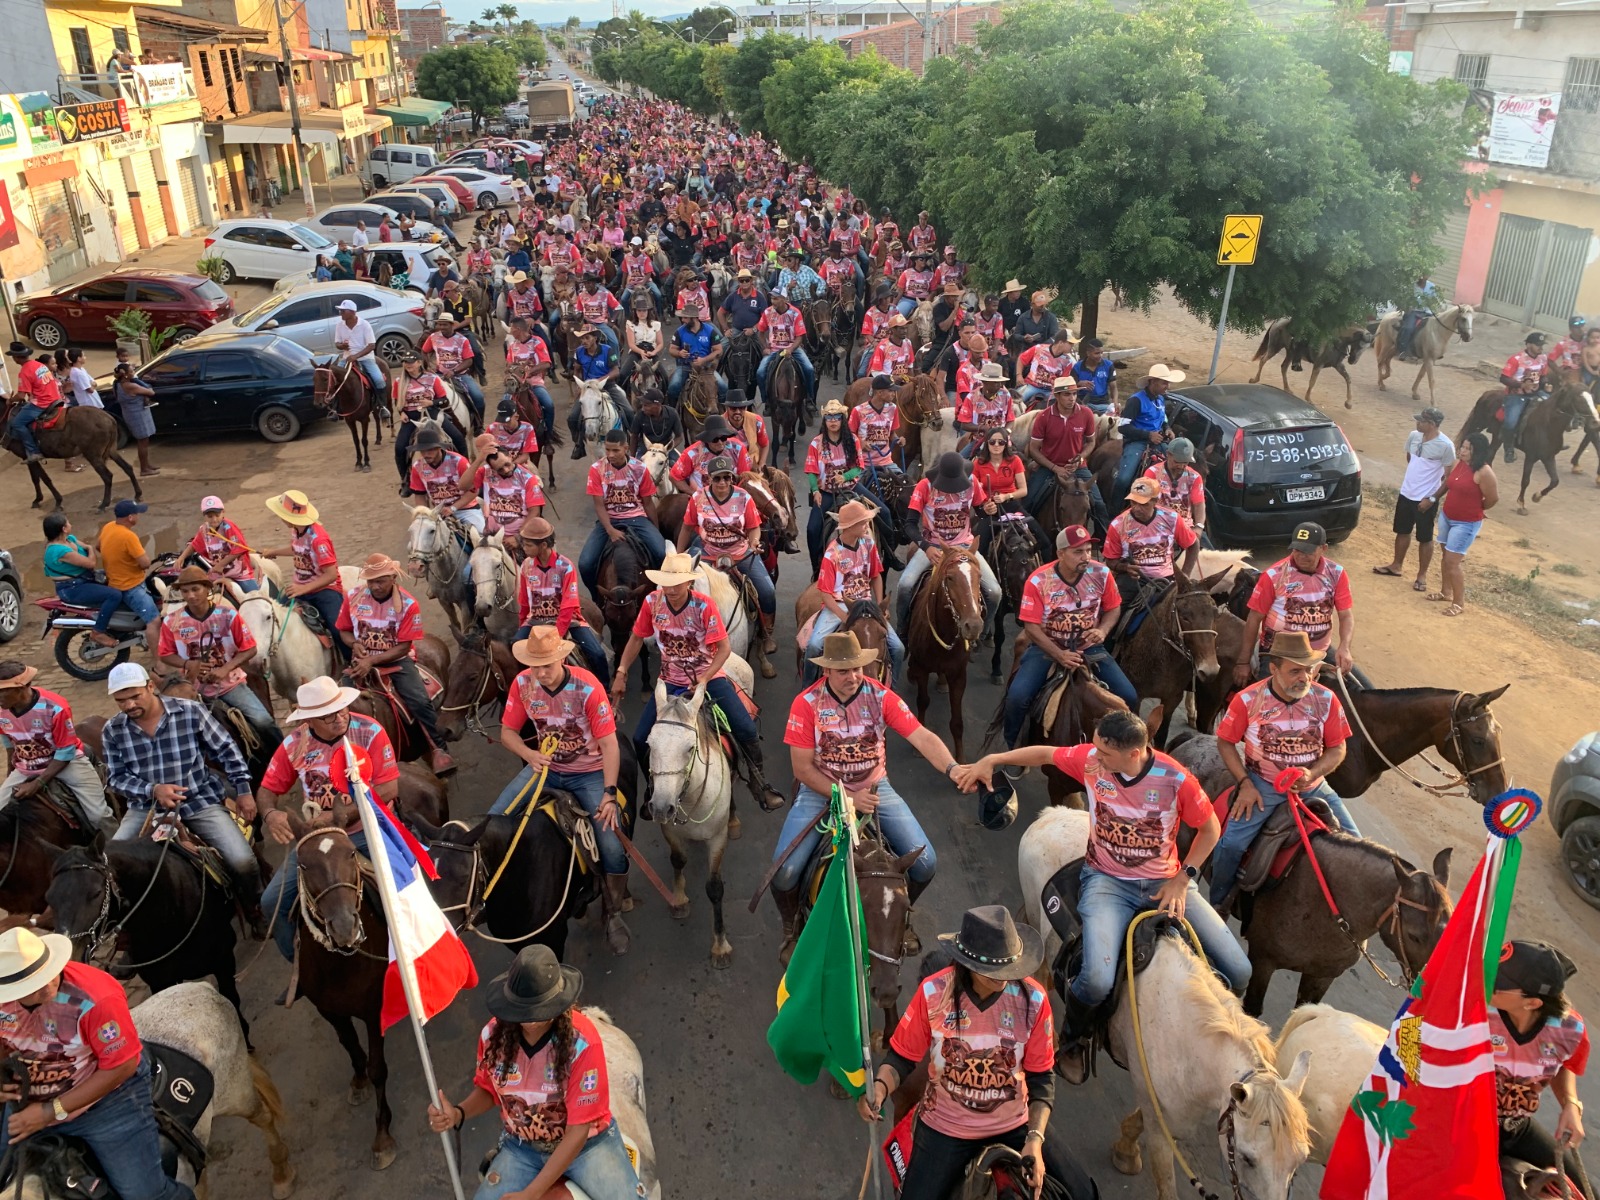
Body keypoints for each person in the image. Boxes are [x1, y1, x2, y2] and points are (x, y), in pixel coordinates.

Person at [957, 709, 1251, 1084]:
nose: (1093, 758)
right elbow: (1046, 754)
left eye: (1103, 753)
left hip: (1166, 884)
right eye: (1094, 749)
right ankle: (1073, 1039)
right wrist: (993, 759)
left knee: (1240, 969)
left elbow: (1209, 829)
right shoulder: (1094, 764)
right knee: (1096, 979)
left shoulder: (1176, 779)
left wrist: (1182, 879)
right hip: (1108, 883)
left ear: (1134, 753)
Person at [860, 907, 1096, 1200]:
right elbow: (900, 1059)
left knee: (1084, 1193)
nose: (1006, 977)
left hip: (1015, 1124)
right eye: (996, 971)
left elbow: (1041, 1079)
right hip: (946, 1128)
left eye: (1010, 967)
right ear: (968, 963)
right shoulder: (933, 993)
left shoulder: (1034, 1000)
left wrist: (1034, 1139)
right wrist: (881, 1087)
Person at [772, 630, 959, 962]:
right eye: (843, 670)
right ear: (826, 670)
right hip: (822, 792)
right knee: (784, 871)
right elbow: (802, 770)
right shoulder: (806, 705)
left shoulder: (881, 697)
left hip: (875, 789)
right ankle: (790, 929)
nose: (853, 676)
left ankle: (900, 917)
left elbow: (922, 737)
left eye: (857, 668)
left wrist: (953, 768)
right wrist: (844, 797)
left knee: (926, 863)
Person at [424, 945, 645, 1200]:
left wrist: (532, 1194)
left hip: (587, 1147)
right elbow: (489, 1090)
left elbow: (578, 1131)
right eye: (521, 1009)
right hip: (522, 1148)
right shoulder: (490, 1036)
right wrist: (458, 1113)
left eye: (538, 1009)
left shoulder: (583, 1043)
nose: (529, 1018)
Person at [0, 926, 194, 1200]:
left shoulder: (95, 998)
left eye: (46, 972)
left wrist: (48, 1112)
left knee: (146, 1195)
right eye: (32, 985)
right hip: (30, 1097)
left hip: (107, 1104)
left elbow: (121, 1065)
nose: (47, 984)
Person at [609, 552, 782, 811]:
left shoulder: (704, 606)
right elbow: (636, 638)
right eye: (666, 584)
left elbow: (723, 649)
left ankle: (759, 784)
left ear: (689, 583)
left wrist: (704, 677)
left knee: (745, 728)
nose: (671, 590)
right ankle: (654, 790)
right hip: (669, 682)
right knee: (640, 737)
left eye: (676, 584)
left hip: (708, 680)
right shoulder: (652, 603)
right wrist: (621, 671)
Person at [492, 628, 629, 953]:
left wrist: (609, 794)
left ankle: (614, 911)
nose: (540, 673)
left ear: (562, 658)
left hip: (587, 774)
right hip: (544, 769)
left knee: (611, 844)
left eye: (547, 665)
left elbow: (610, 745)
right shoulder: (523, 684)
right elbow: (507, 732)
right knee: (494, 819)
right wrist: (529, 755)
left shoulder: (588, 687)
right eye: (535, 666)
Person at [101, 662, 263, 925]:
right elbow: (116, 778)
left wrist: (243, 790)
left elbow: (226, 750)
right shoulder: (113, 730)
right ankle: (123, 932)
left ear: (151, 687)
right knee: (109, 864)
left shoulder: (190, 712)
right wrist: (153, 790)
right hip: (146, 808)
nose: (129, 705)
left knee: (243, 860)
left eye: (135, 696)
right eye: (121, 701)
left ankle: (255, 907)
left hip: (199, 801)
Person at [1211, 630, 1361, 907]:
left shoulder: (1326, 699)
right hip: (1264, 784)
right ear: (1273, 669)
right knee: (1231, 845)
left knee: (1356, 844)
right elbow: (1226, 743)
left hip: (1313, 785)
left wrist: (1312, 774)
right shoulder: (1247, 700)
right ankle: (1218, 903)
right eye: (1295, 671)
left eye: (1307, 670)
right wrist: (1245, 782)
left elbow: (1338, 748)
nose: (1304, 677)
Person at [256, 677, 401, 963]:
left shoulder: (369, 730)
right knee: (271, 902)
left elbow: (388, 789)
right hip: (318, 838)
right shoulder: (294, 744)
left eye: (342, 709)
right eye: (328, 715)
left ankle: (415, 954)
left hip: (367, 828)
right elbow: (266, 790)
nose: (339, 718)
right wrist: (271, 814)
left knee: (404, 888)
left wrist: (341, 815)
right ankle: (300, 966)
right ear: (309, 719)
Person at [1002, 525, 1137, 747]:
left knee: (1128, 696)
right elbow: (1031, 626)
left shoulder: (1102, 574)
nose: (1085, 557)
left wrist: (1102, 631)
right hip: (1047, 649)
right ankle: (1013, 748)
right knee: (1017, 696)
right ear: (1060, 554)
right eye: (1077, 552)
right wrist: (1059, 654)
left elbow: (1114, 608)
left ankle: (1125, 748)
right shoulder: (1038, 581)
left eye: (1087, 550)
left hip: (1089, 648)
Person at [1489, 940, 1592, 1194]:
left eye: (1497, 984)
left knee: (1583, 1192)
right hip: (1465, 1123)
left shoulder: (1569, 1030)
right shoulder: (1474, 1010)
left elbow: (1564, 1062)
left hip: (1516, 1127)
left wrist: (1571, 1104)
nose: (1486, 981)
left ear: (1532, 1003)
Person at [337, 553, 452, 775]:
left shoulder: (408, 604)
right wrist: (355, 645)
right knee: (336, 707)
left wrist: (372, 660)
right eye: (370, 581)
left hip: (396, 663)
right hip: (361, 662)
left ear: (393, 577)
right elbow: (343, 630)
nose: (375, 586)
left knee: (419, 701)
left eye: (380, 580)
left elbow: (404, 645)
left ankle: (439, 749)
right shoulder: (352, 597)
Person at [157, 566, 281, 758]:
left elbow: (250, 648)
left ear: (207, 589)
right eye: (185, 591)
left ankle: (283, 759)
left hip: (229, 684)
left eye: (195, 589)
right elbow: (165, 654)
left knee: (263, 720)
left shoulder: (228, 616)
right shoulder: (171, 622)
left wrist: (225, 669)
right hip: (190, 686)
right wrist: (187, 664)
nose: (190, 595)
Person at [896, 452, 1003, 634]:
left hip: (964, 547)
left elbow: (981, 512)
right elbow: (909, 525)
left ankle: (982, 632)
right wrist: (926, 547)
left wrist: (988, 509)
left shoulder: (973, 482)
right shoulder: (924, 486)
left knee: (994, 592)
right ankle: (903, 628)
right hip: (934, 547)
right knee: (904, 585)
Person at [1234, 522, 1354, 683]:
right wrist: (1243, 662)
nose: (1301, 556)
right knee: (1266, 700)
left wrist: (1344, 647)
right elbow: (1254, 618)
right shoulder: (1274, 575)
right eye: (1297, 550)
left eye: (1308, 551)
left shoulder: (1336, 573)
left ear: (1323, 548)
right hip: (1277, 653)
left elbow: (1346, 615)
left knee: (1363, 694)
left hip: (1320, 650)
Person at [678, 455, 777, 641]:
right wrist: (678, 554)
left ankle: (766, 633)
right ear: (709, 479)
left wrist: (754, 542)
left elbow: (753, 527)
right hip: (707, 553)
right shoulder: (698, 498)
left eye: (727, 477)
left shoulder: (744, 497)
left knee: (767, 590)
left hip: (739, 552)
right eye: (717, 478)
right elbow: (686, 526)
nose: (722, 482)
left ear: (732, 478)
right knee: (680, 585)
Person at [805, 499, 905, 683]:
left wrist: (880, 603)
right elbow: (826, 594)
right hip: (839, 606)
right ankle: (807, 688)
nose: (867, 525)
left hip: (866, 605)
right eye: (863, 522)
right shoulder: (832, 553)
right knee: (814, 645)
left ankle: (892, 689)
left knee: (898, 648)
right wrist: (844, 617)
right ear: (850, 526)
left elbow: (875, 576)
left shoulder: (868, 544)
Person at [0, 660, 110, 825]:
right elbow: (7, 738)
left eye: (2, 691)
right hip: (25, 767)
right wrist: (11, 768)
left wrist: (38, 783)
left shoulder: (56, 707)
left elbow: (66, 751)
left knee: (99, 816)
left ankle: (113, 848)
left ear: (21, 687)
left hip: (66, 763)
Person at [514, 517, 610, 688]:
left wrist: (557, 634)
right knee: (513, 647)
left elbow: (567, 605)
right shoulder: (526, 566)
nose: (524, 548)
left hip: (568, 621)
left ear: (543, 545)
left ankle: (605, 690)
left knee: (597, 654)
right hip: (535, 620)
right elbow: (523, 601)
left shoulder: (566, 566)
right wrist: (522, 626)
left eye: (528, 545)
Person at [260, 489, 349, 665]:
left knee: (339, 629)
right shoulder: (296, 530)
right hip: (300, 587)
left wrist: (303, 588)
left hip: (324, 590)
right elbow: (297, 548)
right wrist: (275, 552)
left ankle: (353, 666)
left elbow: (331, 574)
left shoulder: (319, 539)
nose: (280, 518)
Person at [1376, 407, 1456, 590]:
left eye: (1421, 421)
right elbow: (1410, 459)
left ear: (1432, 425)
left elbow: (1448, 477)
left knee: (1425, 537)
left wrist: (1432, 498)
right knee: (1402, 530)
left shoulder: (1445, 446)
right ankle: (1396, 565)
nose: (1417, 423)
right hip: (1406, 493)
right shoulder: (1414, 436)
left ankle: (1422, 575)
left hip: (1425, 498)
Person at [580, 431, 667, 599]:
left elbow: (648, 502)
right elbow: (599, 505)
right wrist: (610, 530)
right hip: (609, 519)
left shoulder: (639, 468)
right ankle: (598, 598)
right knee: (585, 563)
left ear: (626, 448)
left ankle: (657, 596)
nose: (610, 455)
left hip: (637, 518)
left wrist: (655, 530)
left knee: (661, 554)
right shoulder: (596, 469)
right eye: (607, 450)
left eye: (616, 450)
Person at [1428, 431, 1497, 617]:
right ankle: (1445, 592)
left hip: (1465, 523)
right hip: (1447, 516)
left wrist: (1478, 508)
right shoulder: (1461, 465)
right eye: (1463, 447)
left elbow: (1492, 499)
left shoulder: (1484, 472)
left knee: (1453, 562)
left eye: (1468, 449)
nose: (1462, 451)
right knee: (1445, 556)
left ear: (1478, 451)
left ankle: (1458, 603)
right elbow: (1449, 485)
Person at [1102, 477, 1199, 604]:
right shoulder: (1118, 524)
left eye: (1143, 504)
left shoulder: (1172, 518)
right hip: (1133, 581)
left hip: (1166, 579)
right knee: (1114, 608)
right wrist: (1125, 567)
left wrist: (1183, 577)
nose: (1136, 508)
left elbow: (1193, 544)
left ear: (1155, 501)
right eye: (1133, 502)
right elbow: (1110, 560)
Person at [804, 400, 866, 577]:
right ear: (824, 420)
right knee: (812, 529)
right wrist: (815, 490)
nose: (833, 421)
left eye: (836, 417)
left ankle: (889, 555)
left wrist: (845, 476)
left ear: (842, 419)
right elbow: (811, 470)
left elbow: (859, 466)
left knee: (883, 512)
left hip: (851, 488)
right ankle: (816, 566)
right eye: (829, 417)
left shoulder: (853, 440)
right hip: (826, 492)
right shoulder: (816, 443)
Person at [43, 512, 124, 647]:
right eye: (68, 523)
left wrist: (89, 549)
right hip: (72, 588)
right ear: (63, 529)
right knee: (114, 595)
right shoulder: (58, 551)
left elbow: (85, 551)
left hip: (84, 580)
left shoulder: (70, 539)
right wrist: (91, 549)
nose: (71, 525)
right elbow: (90, 563)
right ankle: (98, 632)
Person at [99, 499, 162, 665]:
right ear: (131, 517)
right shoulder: (128, 536)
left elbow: (98, 546)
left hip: (113, 580)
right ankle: (159, 662)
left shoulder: (109, 526)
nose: (138, 516)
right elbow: (145, 563)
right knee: (154, 621)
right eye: (137, 513)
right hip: (129, 586)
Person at [1113, 364, 1183, 501]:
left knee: (1177, 467)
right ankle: (1113, 511)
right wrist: (1148, 435)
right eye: (1164, 383)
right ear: (1153, 382)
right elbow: (1122, 427)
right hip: (1137, 443)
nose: (1167, 386)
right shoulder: (1135, 401)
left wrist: (1167, 428)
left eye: (1167, 382)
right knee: (1123, 479)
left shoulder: (1161, 399)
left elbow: (1163, 419)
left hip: (1158, 441)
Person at [406, 424, 485, 533]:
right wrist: (425, 514)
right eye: (422, 451)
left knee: (481, 535)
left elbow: (474, 491)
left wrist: (453, 508)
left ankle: (477, 422)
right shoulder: (417, 467)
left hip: (466, 509)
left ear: (439, 448)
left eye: (430, 450)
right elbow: (420, 495)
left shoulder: (459, 461)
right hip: (438, 513)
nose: (426, 454)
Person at [567, 325, 630, 459]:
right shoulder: (579, 352)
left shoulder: (608, 350)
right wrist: (579, 385)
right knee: (572, 417)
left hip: (607, 385)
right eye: (582, 338)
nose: (584, 341)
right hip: (588, 389)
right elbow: (577, 370)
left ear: (595, 338)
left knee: (628, 411)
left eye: (587, 338)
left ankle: (632, 438)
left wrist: (599, 381)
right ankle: (578, 444)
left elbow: (615, 371)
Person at [473, 441, 546, 541]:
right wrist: (478, 460)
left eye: (507, 464)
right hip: (491, 536)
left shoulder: (528, 478)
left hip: (519, 536)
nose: (506, 470)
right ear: (492, 468)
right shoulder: (485, 472)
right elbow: (463, 486)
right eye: (500, 469)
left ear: (510, 456)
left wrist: (518, 537)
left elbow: (535, 512)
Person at [5, 339, 62, 465]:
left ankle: (33, 451)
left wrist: (10, 400)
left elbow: (20, 395)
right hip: (56, 398)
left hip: (42, 403)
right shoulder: (39, 365)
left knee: (17, 423)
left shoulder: (24, 372)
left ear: (16, 358)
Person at [423, 312, 485, 422]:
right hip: (439, 374)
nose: (442, 327)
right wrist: (427, 367)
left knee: (478, 398)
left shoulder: (462, 340)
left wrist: (454, 371)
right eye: (440, 325)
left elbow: (469, 361)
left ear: (452, 325)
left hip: (460, 375)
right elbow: (424, 352)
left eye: (445, 325)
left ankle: (478, 423)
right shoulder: (433, 337)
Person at [503, 316, 556, 442]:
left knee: (549, 405)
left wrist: (529, 372)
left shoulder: (537, 342)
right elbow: (509, 364)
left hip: (534, 382)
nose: (511, 331)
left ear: (519, 329)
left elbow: (547, 363)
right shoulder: (512, 345)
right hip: (516, 384)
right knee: (503, 406)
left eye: (512, 329)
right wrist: (509, 372)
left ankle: (548, 435)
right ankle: (503, 436)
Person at [1143, 436, 1206, 535]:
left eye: (1185, 462)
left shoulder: (1195, 477)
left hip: (1185, 527)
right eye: (1177, 462)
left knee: (1207, 549)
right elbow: (1144, 502)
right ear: (1168, 454)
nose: (1181, 466)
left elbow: (1199, 505)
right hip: (1157, 525)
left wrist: (1199, 527)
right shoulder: (1152, 473)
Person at [109, 362, 160, 476]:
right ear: (126, 375)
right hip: (138, 414)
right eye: (131, 371)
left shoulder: (117, 384)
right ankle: (144, 468)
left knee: (143, 441)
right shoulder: (130, 385)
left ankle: (146, 464)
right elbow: (150, 392)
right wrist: (138, 381)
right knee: (143, 442)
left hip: (131, 413)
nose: (134, 373)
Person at [954, 362, 1015, 457]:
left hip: (1003, 440)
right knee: (960, 461)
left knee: (1019, 460)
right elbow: (964, 425)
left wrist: (1006, 432)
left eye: (1000, 382)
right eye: (995, 382)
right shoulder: (971, 397)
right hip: (979, 439)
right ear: (985, 382)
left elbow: (1010, 420)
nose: (999, 385)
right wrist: (982, 428)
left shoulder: (1006, 395)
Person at [333, 299, 388, 399]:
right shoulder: (339, 325)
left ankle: (381, 405)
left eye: (343, 311)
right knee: (333, 379)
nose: (341, 313)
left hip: (365, 358)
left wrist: (355, 356)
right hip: (347, 358)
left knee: (378, 379)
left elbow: (371, 345)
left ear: (353, 312)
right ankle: (335, 408)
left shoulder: (364, 325)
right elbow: (337, 343)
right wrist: (342, 346)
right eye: (340, 311)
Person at [628, 387, 683, 461]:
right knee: (639, 469)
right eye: (643, 405)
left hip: (665, 448)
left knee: (679, 467)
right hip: (646, 449)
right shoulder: (639, 415)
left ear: (657, 405)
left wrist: (667, 448)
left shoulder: (672, 413)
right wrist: (632, 457)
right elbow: (634, 437)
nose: (643, 408)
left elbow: (679, 437)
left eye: (646, 405)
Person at [485, 398, 541, 468]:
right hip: (497, 465)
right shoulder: (492, 428)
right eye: (502, 421)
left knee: (536, 478)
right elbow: (486, 451)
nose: (504, 424)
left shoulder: (527, 428)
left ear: (516, 417)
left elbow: (525, 455)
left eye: (507, 421)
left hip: (519, 463)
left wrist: (511, 466)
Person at [1068, 337, 1118, 414]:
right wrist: (1079, 383)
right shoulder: (1077, 367)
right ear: (1088, 353)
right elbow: (1070, 387)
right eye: (1097, 353)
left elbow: (1113, 387)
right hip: (1083, 402)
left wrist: (1115, 402)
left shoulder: (1108, 365)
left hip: (1103, 403)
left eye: (1102, 352)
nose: (1100, 355)